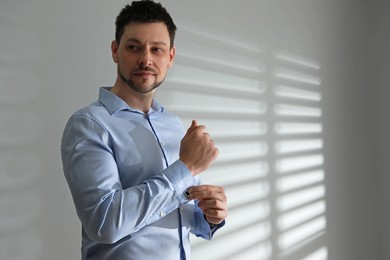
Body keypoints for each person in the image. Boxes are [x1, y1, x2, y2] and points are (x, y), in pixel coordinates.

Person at [60, 1, 227, 259]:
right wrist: (186, 168)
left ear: (170, 57)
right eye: (134, 47)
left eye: (156, 49)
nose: (146, 59)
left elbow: (173, 209)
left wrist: (207, 216)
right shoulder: (89, 125)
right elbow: (105, 223)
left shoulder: (172, 124)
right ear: (115, 51)